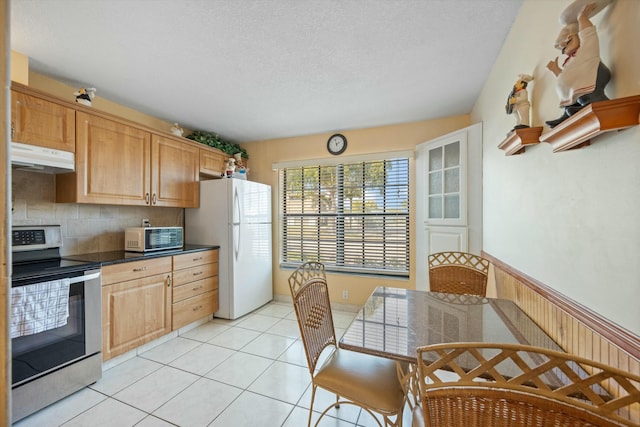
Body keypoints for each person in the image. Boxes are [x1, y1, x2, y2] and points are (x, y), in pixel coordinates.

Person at [545, 2, 611, 128]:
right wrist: (555, 70)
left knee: (586, 94)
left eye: (568, 41)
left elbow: (588, 35)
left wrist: (582, 18)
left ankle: (595, 102)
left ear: (578, 37)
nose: (565, 48)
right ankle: (571, 109)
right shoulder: (570, 60)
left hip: (595, 74)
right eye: (562, 49)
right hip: (581, 85)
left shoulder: (586, 49)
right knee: (573, 97)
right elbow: (567, 77)